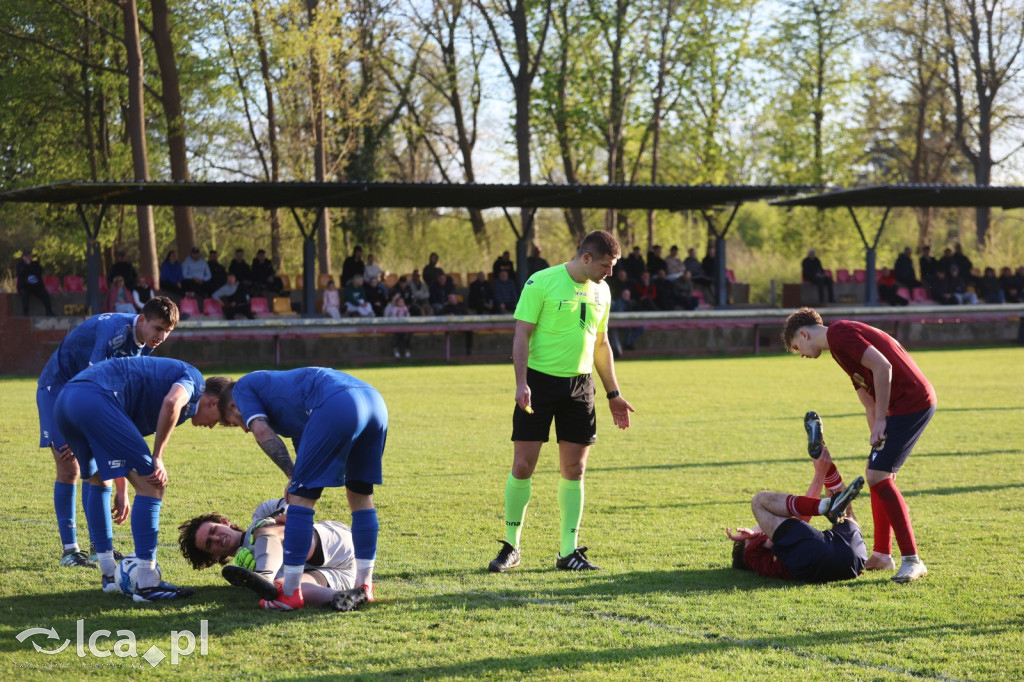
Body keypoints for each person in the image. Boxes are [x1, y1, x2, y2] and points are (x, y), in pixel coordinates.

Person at [488, 230, 635, 574]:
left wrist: (614, 394)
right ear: (586, 258)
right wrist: (521, 383)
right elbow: (521, 333)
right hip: (538, 384)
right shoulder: (541, 282)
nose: (609, 272)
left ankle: (567, 552)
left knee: (575, 469)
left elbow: (601, 343)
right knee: (523, 465)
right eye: (606, 265)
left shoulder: (603, 291)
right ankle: (511, 546)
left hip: (581, 386)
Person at [53, 356, 228, 601]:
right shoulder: (195, 379)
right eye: (219, 420)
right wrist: (158, 456)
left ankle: (108, 576)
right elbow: (171, 402)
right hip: (96, 398)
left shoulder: (167, 402)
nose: (212, 426)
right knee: (152, 485)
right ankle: (147, 582)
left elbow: (119, 440)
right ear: (214, 402)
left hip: (67, 400)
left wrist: (122, 489)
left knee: (99, 480)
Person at [782, 307, 936, 583]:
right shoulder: (838, 348)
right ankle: (882, 555)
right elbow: (867, 397)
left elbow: (883, 367)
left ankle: (912, 560)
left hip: (912, 401)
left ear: (804, 334)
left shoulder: (840, 333)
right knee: (878, 474)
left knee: (877, 476)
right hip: (900, 406)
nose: (802, 354)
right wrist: (877, 434)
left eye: (798, 347)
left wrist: (881, 422)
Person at [215, 368, 388, 611]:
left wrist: (293, 480)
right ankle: (365, 586)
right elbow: (304, 454)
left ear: (234, 406)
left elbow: (262, 431)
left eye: (236, 423)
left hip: (336, 402)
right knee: (360, 496)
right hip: (374, 401)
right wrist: (295, 476)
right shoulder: (290, 408)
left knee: (300, 501)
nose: (245, 429)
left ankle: (290, 593)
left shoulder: (242, 389)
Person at [37, 297, 179, 568]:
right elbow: (98, 388)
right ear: (141, 320)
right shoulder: (114, 333)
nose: (161, 336)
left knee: (98, 471)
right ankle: (70, 551)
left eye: (167, 332)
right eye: (158, 328)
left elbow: (118, 403)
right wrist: (122, 482)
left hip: (86, 394)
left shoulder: (145, 344)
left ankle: (96, 548)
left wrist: (121, 481)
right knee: (71, 466)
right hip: (57, 390)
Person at [178, 498, 362, 611]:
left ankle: (265, 574)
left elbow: (293, 505)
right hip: (341, 576)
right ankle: (345, 597)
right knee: (283, 588)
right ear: (214, 558)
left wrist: (274, 521)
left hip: (333, 544)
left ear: (224, 522)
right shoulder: (244, 573)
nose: (216, 538)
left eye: (213, 530)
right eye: (209, 544)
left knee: (266, 531)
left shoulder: (261, 513)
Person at [727, 436, 867, 583]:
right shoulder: (750, 553)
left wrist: (821, 467)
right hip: (821, 557)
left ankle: (826, 466)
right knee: (758, 501)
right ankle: (825, 492)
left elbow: (796, 524)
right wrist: (754, 537)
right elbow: (801, 519)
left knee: (847, 514)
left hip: (853, 560)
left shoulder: (773, 550)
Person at [15, 248, 55, 316]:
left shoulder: (35, 264)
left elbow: (38, 272)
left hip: (35, 286)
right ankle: (25, 313)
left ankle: (49, 311)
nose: (28, 258)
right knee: (25, 295)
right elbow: (21, 273)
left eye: (29, 256)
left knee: (45, 294)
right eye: (26, 256)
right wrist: (27, 266)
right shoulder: (19, 265)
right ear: (23, 257)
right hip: (24, 287)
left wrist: (30, 267)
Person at [384, 292, 412, 358]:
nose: (401, 303)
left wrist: (405, 314)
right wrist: (397, 313)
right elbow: (391, 318)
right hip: (395, 327)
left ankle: (407, 350)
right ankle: (396, 349)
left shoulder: (405, 308)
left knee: (408, 334)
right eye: (399, 302)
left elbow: (409, 317)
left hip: (405, 327)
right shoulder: (394, 308)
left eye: (402, 302)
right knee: (400, 335)